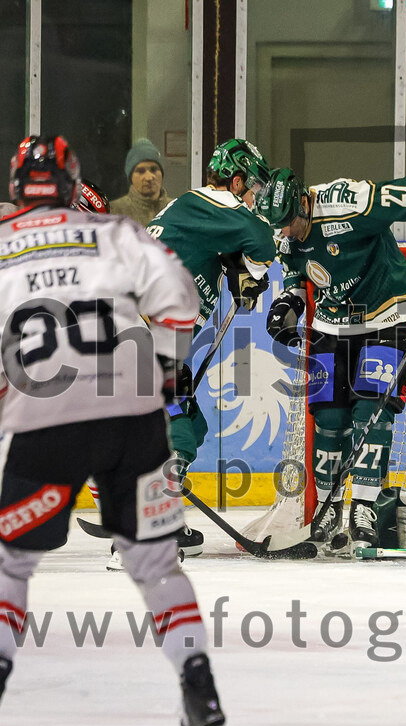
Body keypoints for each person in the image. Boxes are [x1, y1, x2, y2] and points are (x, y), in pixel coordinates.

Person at [0, 135, 224, 726]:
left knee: (11, 565)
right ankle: (199, 685)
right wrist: (167, 373)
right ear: (75, 184)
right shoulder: (116, 231)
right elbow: (179, 302)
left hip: (45, 416)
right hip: (131, 411)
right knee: (156, 567)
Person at [256, 167, 406, 550]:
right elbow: (296, 274)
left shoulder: (345, 204)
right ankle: (331, 506)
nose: (285, 231)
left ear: (304, 201)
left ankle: (363, 507)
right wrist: (289, 302)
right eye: (279, 226)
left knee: (373, 410)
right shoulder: (281, 228)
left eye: (289, 222)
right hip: (332, 325)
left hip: (387, 317)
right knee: (330, 418)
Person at [143, 138, 277, 559]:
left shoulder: (200, 217)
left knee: (190, 423)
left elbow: (224, 254)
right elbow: (262, 240)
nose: (254, 196)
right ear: (234, 180)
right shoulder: (213, 200)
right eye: (252, 186)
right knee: (178, 421)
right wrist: (252, 269)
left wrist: (238, 272)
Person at [109, 137, 173, 227]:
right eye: (141, 171)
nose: (149, 177)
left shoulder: (176, 208)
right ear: (131, 177)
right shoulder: (114, 211)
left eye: (154, 169)